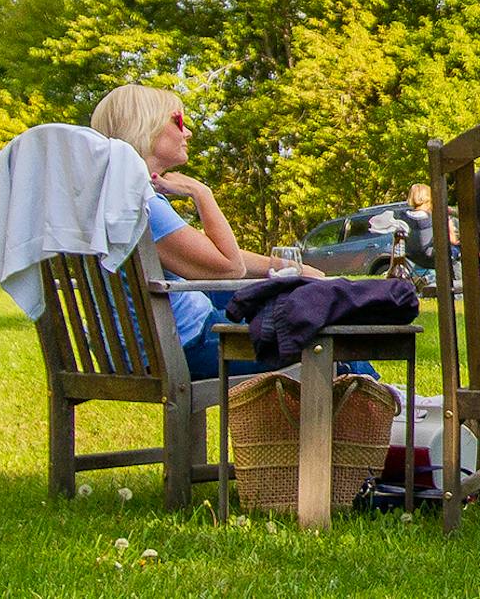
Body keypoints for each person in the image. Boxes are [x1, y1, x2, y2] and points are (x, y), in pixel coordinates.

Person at [88, 84, 361, 381]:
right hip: (186, 346)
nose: (187, 133)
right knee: (325, 330)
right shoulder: (145, 205)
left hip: (143, 347)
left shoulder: (109, 201)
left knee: (293, 302)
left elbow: (207, 254)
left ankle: (378, 397)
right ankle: (382, 402)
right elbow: (230, 267)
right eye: (178, 121)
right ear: (146, 127)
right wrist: (201, 193)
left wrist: (290, 268)